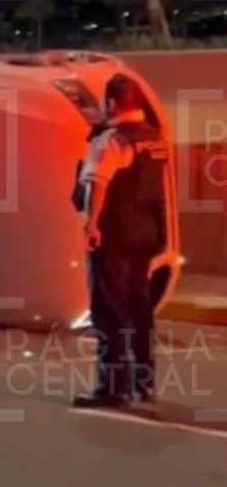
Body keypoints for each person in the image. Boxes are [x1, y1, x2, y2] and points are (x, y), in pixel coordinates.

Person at [73, 74, 169, 409]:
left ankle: (113, 389)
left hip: (116, 231)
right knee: (139, 306)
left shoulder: (112, 140)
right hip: (146, 231)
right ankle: (144, 384)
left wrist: (92, 225)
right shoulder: (153, 138)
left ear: (112, 104)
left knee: (110, 308)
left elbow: (98, 183)